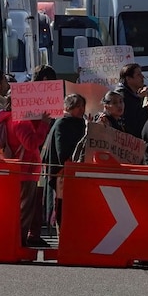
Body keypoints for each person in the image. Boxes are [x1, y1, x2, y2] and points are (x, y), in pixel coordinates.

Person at [41, 93, 87, 229]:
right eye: (78, 106)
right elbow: (63, 152)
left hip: (72, 175)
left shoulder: (78, 122)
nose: (81, 109)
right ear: (69, 107)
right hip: (63, 175)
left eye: (83, 106)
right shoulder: (63, 123)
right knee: (62, 211)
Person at [9, 105, 52, 248]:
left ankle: (17, 241)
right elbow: (31, 144)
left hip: (21, 169)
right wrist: (44, 125)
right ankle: (19, 243)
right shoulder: (21, 122)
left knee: (21, 209)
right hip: (26, 169)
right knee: (25, 211)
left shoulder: (10, 119)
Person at [116, 63, 148, 138]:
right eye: (138, 75)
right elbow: (134, 122)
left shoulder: (131, 94)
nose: (142, 77)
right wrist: (146, 108)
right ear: (128, 79)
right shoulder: (122, 97)